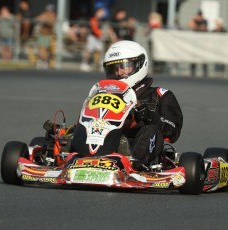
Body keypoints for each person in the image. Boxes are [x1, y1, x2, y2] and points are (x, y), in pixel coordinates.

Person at [102, 40, 183, 168]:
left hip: (140, 146)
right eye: (114, 69)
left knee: (151, 130)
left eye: (124, 66)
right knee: (68, 131)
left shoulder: (160, 95)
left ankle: (132, 165)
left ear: (140, 64)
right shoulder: (104, 95)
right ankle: (70, 158)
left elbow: (172, 131)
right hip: (107, 141)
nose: (120, 73)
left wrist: (147, 115)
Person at [80, 7, 106, 72]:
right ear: (97, 12)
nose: (102, 14)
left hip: (98, 38)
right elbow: (94, 29)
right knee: (88, 50)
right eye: (100, 12)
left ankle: (101, 65)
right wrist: (100, 34)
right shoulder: (93, 19)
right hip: (92, 37)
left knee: (101, 50)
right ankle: (84, 64)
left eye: (102, 13)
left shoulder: (102, 20)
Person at [188, 10, 208, 77]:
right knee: (193, 56)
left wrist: (197, 26)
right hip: (195, 42)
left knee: (204, 57)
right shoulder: (194, 20)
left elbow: (203, 28)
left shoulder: (204, 21)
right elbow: (191, 25)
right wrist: (193, 19)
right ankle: (192, 71)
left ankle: (205, 71)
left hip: (202, 42)